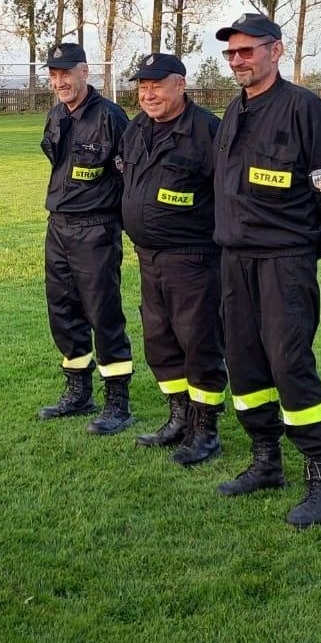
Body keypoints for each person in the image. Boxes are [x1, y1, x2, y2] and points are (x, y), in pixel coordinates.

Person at [212, 12, 321, 527]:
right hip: (234, 261)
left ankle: (319, 477)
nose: (238, 61)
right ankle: (265, 460)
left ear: (276, 50)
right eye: (231, 53)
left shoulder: (306, 109)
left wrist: (309, 248)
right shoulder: (233, 111)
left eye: (247, 51)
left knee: (289, 363)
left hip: (284, 262)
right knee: (246, 364)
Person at [118, 52, 227, 466]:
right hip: (148, 257)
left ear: (180, 84)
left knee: (198, 342)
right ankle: (178, 416)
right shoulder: (137, 128)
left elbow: (226, 196)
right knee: (160, 341)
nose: (147, 94)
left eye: (156, 85)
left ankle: (205, 429)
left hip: (193, 259)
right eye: (142, 86)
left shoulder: (206, 132)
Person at [35, 41, 136, 435]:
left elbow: (129, 175)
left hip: (96, 227)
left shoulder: (110, 117)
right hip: (58, 224)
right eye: (54, 75)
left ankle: (118, 403)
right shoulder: (56, 115)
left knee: (102, 312)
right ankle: (78, 392)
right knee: (62, 310)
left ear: (84, 72)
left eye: (66, 73)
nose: (60, 81)